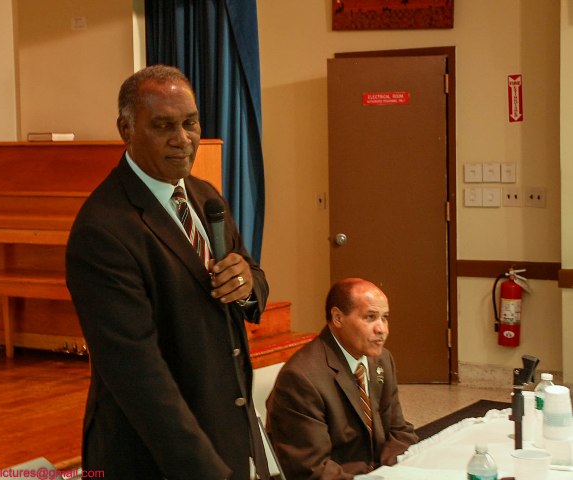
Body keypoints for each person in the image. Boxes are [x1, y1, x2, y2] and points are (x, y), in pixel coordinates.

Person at [65, 65, 269, 480]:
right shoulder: (103, 229)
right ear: (126, 129)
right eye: (163, 126)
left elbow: (254, 279)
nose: (183, 140)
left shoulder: (204, 194)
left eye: (190, 123)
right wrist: (207, 471)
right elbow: (139, 378)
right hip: (153, 456)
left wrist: (245, 283)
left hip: (223, 435)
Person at [266, 278, 417, 479]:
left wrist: (390, 472)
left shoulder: (382, 360)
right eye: (370, 317)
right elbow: (312, 469)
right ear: (337, 318)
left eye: (385, 318)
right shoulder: (301, 378)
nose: (382, 329)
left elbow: (400, 431)